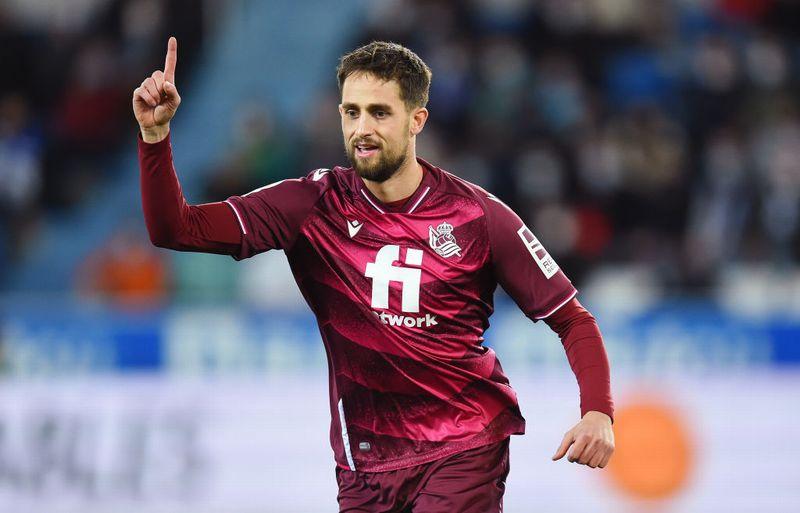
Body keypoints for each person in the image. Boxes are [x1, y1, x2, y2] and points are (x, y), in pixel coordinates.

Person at [134, 37, 614, 513]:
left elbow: (573, 319)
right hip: (364, 467)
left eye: (380, 113)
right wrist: (155, 138)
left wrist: (597, 411)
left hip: (463, 445)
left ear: (416, 120)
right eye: (352, 112)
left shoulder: (478, 216)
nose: (362, 129)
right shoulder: (311, 204)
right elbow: (178, 229)